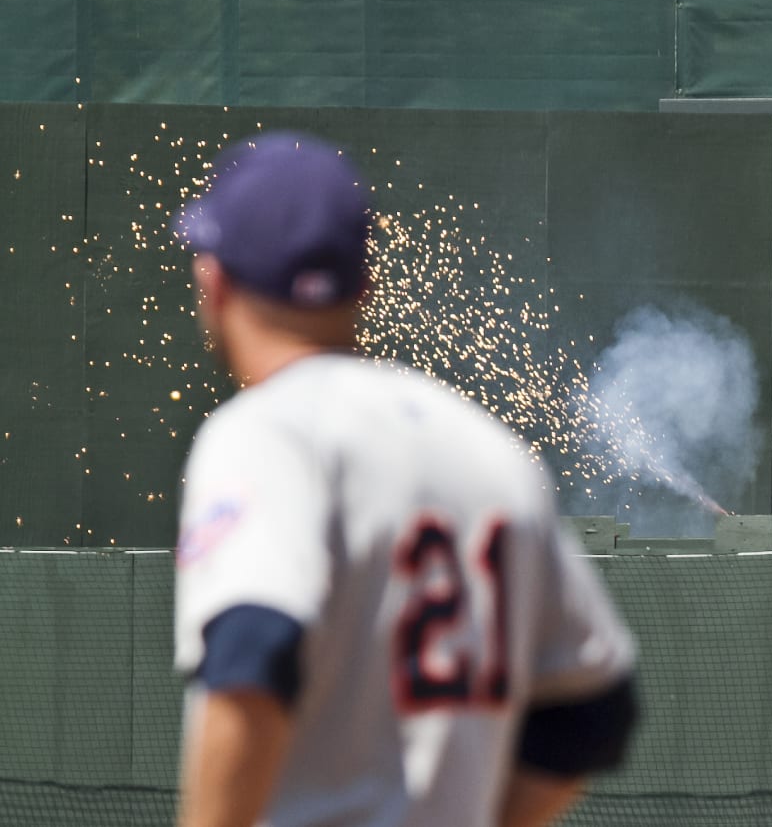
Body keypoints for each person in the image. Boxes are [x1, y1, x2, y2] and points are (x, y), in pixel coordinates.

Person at [169, 132, 638, 827]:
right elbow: (596, 713)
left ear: (215, 281)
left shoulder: (265, 432)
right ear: (366, 284)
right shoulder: (491, 451)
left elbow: (254, 653)